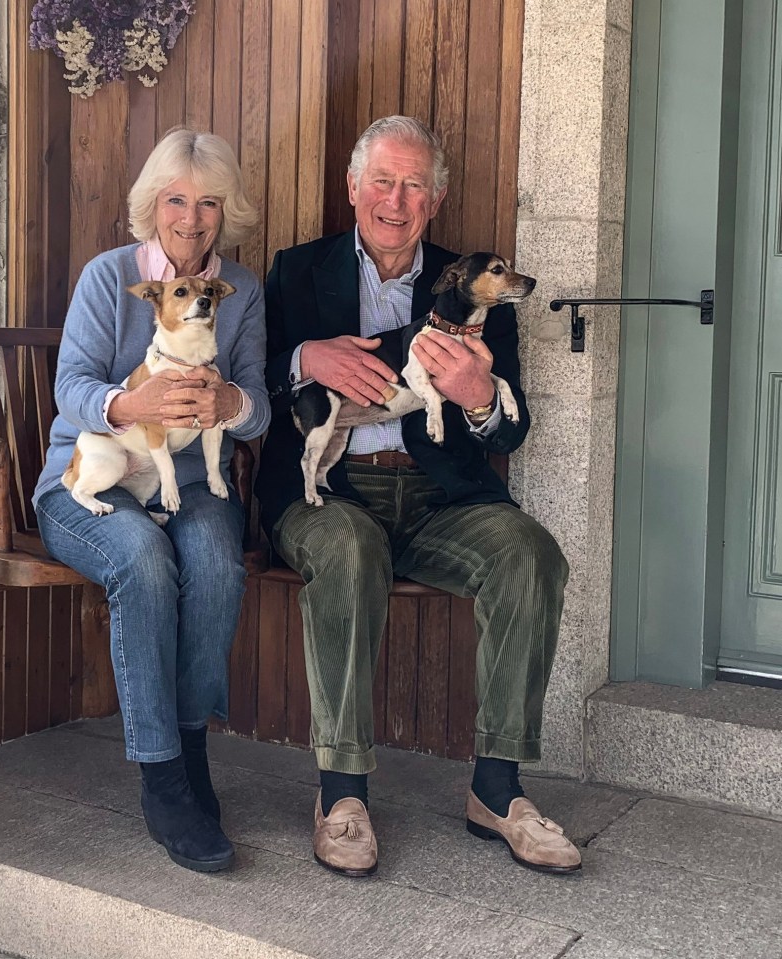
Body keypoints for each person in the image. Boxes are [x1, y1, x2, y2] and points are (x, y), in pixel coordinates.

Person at [256, 116, 580, 877]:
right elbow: (250, 379)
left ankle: (497, 790)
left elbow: (509, 430)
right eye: (381, 181)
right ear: (351, 188)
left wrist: (475, 396)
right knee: (345, 545)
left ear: (433, 200)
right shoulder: (296, 271)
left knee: (531, 555)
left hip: (441, 498)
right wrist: (306, 356)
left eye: (412, 186)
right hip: (329, 491)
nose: (394, 201)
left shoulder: (474, 285)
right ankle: (341, 794)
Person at [33, 129, 270, 874]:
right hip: (90, 478)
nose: (191, 218)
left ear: (224, 210)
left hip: (190, 484)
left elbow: (261, 408)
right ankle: (163, 776)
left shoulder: (244, 292)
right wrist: (129, 401)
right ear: (151, 205)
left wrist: (230, 400)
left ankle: (191, 747)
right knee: (141, 558)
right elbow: (69, 386)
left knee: (214, 559)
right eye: (176, 199)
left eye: (208, 202)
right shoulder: (109, 278)